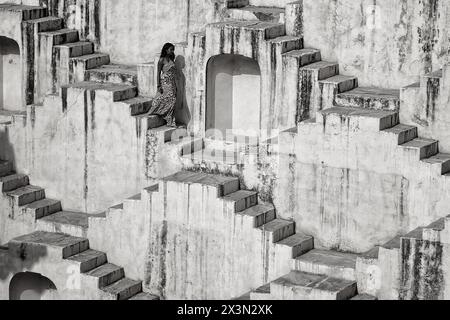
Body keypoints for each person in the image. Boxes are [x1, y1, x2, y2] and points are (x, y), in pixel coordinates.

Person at [149, 43, 177, 127]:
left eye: (173, 50)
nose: (172, 51)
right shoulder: (161, 60)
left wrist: (176, 85)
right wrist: (158, 85)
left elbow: (173, 72)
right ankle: (168, 118)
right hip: (164, 82)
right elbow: (157, 73)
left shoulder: (172, 58)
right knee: (169, 99)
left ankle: (169, 119)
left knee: (173, 100)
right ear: (166, 50)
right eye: (171, 49)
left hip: (172, 82)